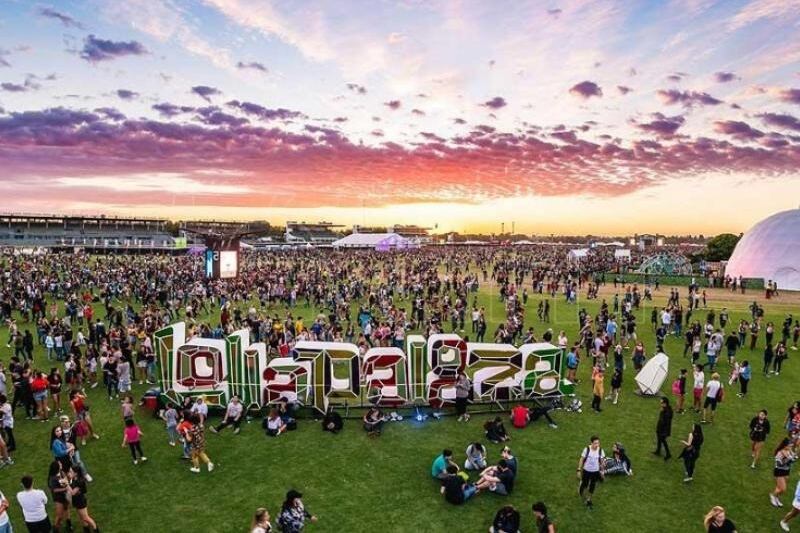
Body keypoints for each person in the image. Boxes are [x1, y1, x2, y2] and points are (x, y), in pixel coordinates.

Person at [67, 465, 99, 532]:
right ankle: (86, 530)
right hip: (76, 501)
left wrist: (66, 484)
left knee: (86, 518)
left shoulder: (80, 481)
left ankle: (96, 529)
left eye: (71, 472)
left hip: (80, 501)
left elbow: (73, 492)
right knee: (81, 518)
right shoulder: (74, 479)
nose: (69, 473)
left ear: (76, 473)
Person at [577, 435, 605, 508]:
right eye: (595, 443)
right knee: (585, 484)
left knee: (592, 485)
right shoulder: (587, 449)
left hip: (595, 472)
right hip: (586, 471)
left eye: (598, 443)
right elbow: (581, 459)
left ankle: (589, 499)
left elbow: (602, 462)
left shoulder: (600, 450)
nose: (597, 445)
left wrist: (602, 471)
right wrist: (579, 469)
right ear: (591, 443)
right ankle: (581, 488)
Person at [772, 438, 798, 507]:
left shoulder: (789, 451)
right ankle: (773, 496)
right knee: (783, 489)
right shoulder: (779, 453)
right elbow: (779, 464)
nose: (791, 447)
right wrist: (788, 459)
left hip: (786, 471)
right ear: (785, 445)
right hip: (779, 471)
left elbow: (794, 459)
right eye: (789, 446)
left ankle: (776, 498)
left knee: (779, 487)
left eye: (791, 446)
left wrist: (793, 457)